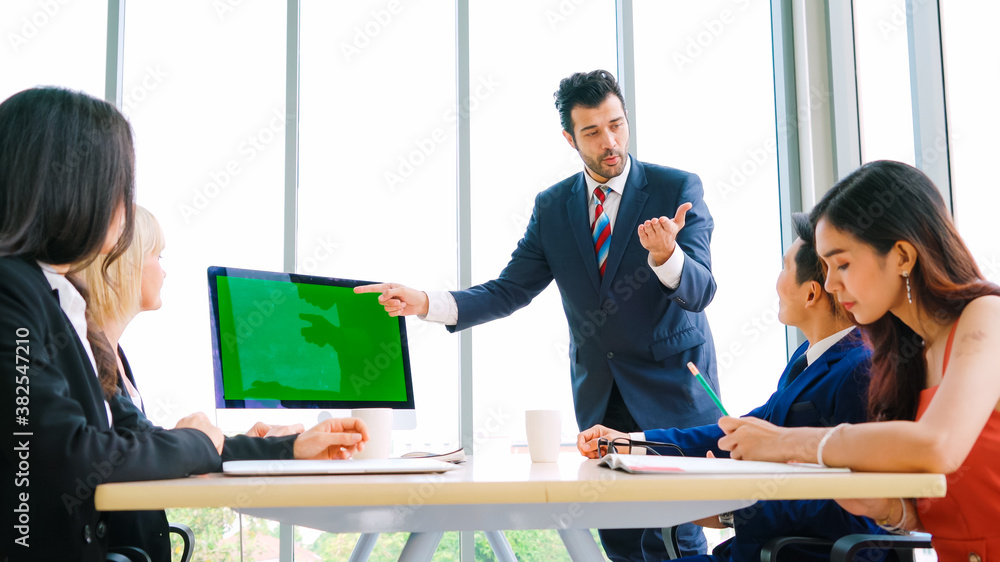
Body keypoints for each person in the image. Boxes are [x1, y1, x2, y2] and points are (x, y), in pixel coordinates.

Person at [357, 69, 718, 559]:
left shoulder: (676, 187)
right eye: (592, 132)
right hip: (602, 398)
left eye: (616, 125)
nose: (610, 141)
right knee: (620, 539)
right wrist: (426, 302)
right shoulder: (553, 207)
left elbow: (701, 291)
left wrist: (665, 257)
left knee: (675, 539)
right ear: (569, 138)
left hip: (672, 398)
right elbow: (509, 290)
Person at [0, 87, 368, 561]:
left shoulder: (59, 300)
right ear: (70, 187)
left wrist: (293, 447)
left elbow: (133, 442)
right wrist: (196, 440)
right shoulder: (13, 288)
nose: (125, 211)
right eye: (120, 188)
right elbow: (68, 456)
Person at [717, 160, 1000, 561]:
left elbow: (938, 447)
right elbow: (947, 510)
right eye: (827, 267)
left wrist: (786, 442)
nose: (831, 283)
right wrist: (885, 508)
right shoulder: (907, 359)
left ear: (902, 255)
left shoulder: (987, 316)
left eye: (843, 263)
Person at [578, 212, 885, 561]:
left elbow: (855, 511)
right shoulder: (809, 358)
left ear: (812, 293)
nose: (777, 281)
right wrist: (628, 443)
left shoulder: (861, 369)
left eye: (785, 268)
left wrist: (732, 509)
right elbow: (734, 433)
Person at [80, 205, 304, 560]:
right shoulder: (85, 355)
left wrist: (284, 447)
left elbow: (145, 443)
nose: (164, 271)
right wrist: (206, 440)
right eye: (157, 255)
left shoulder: (114, 355)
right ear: (125, 262)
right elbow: (131, 451)